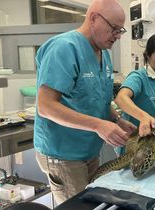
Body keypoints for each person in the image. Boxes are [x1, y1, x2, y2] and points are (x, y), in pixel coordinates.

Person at [34, 0, 136, 204]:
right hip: (63, 155)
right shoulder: (64, 48)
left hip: (89, 151)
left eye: (120, 30)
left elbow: (96, 99)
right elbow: (45, 106)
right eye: (114, 29)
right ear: (94, 18)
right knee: (79, 206)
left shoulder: (104, 55)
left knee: (94, 203)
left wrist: (115, 120)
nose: (117, 36)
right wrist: (99, 125)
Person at [114, 34, 155, 139]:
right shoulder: (139, 77)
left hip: (154, 141)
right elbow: (121, 98)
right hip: (135, 141)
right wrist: (143, 117)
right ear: (148, 56)